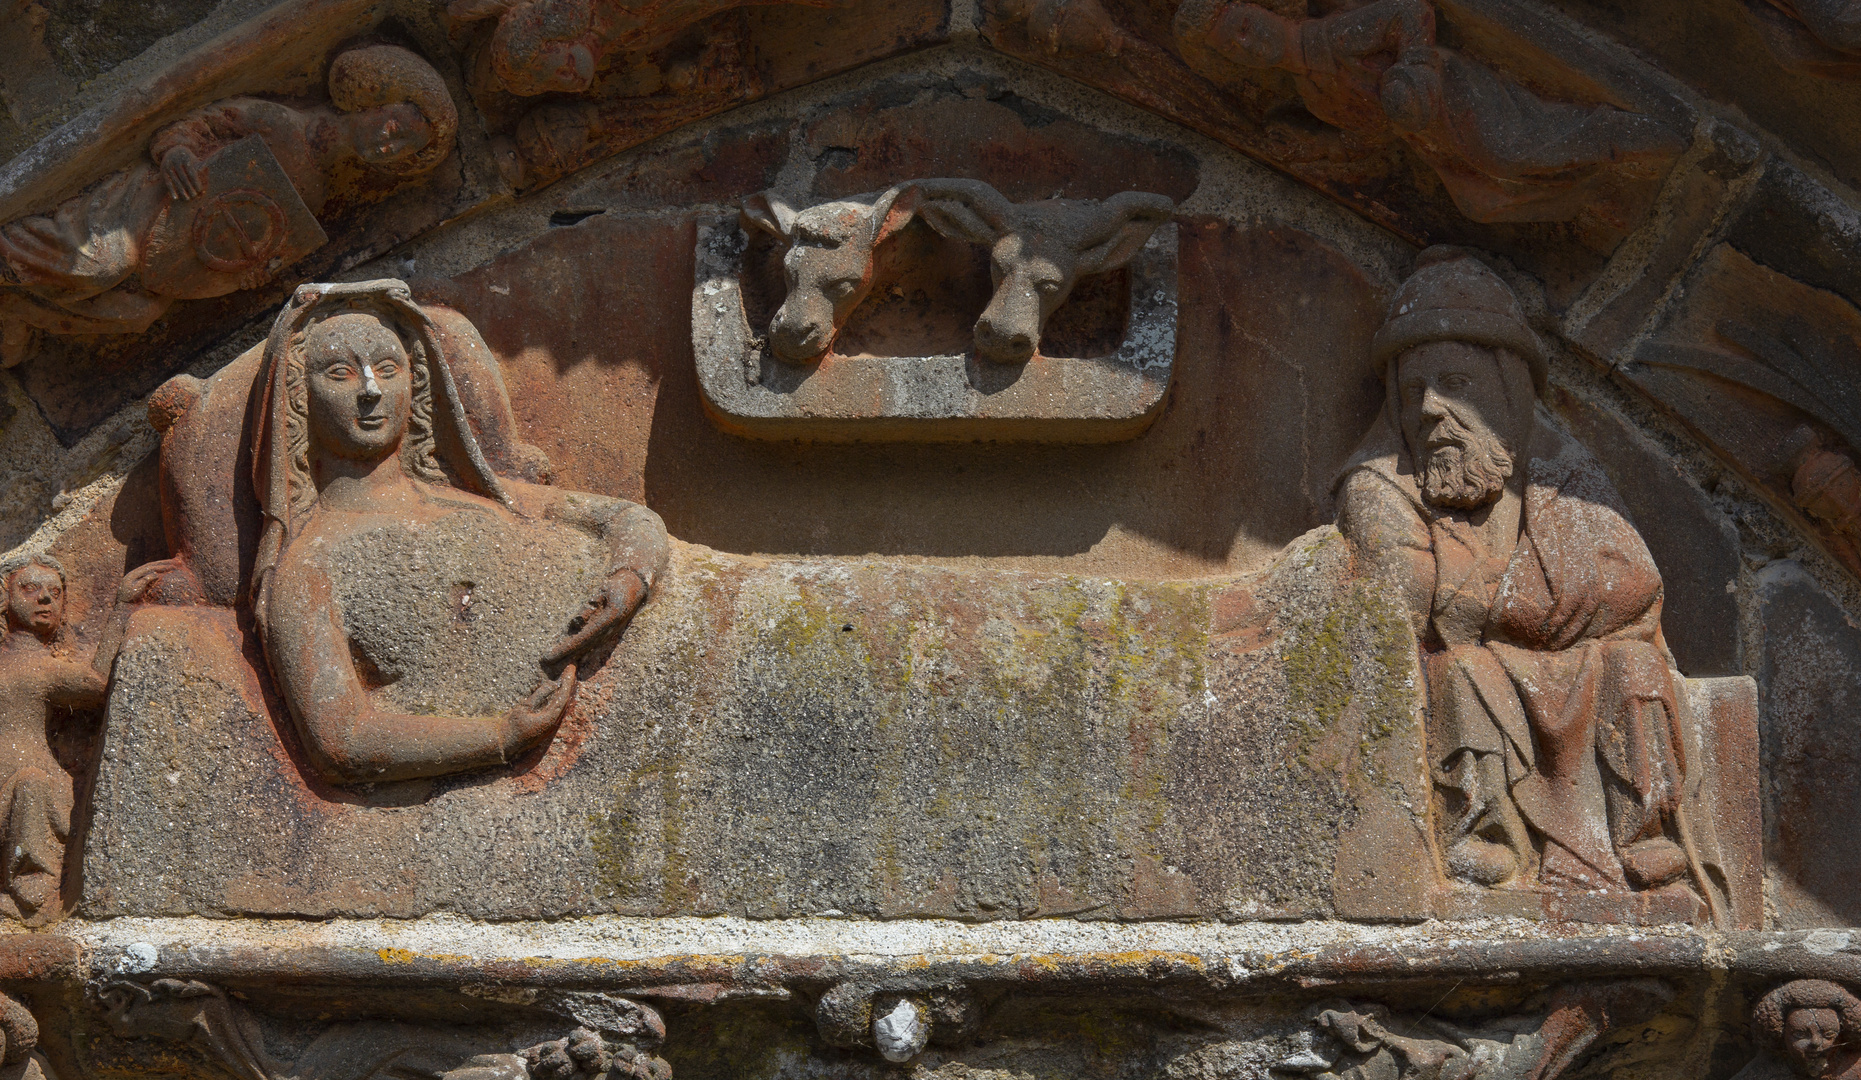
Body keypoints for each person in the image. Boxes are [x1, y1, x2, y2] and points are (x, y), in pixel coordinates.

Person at [1333, 247, 1725, 914]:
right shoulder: (1378, 485)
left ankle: (1642, 832)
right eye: (1410, 393)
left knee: (1633, 665)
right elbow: (1401, 601)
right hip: (1479, 674)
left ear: (1504, 392)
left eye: (1454, 383)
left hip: (1584, 668)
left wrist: (1492, 602)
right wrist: (1521, 602)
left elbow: (1631, 584)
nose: (1430, 410)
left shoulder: (1562, 472)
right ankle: (1484, 829)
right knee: (1456, 672)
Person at [244, 279, 668, 787]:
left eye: (387, 368)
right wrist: (501, 736)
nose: (370, 390)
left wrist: (627, 582)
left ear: (416, 381)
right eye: (339, 373)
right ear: (299, 398)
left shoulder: (488, 500)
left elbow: (629, 519)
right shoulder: (310, 565)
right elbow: (342, 738)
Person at [0, 45, 458, 363]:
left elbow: (255, 251)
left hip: (179, 251)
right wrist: (177, 151)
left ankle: (21, 311)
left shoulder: (314, 198)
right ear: (371, 100)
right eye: (395, 127)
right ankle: (11, 254)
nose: (387, 145)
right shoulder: (280, 124)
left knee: (138, 312)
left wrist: (252, 271)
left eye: (402, 150)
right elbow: (197, 126)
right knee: (103, 258)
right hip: (149, 202)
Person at [0, 552, 168, 921]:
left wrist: (122, 607)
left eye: (56, 593)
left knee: (31, 786)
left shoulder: (42, 668)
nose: (45, 599)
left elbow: (98, 685)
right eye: (30, 589)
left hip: (29, 787)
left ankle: (29, 893)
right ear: (4, 598)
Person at [1751, 980, 1861, 1080]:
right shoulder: (1764, 1072)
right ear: (1781, 1035)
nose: (1815, 1042)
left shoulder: (1852, 1071)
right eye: (1800, 1034)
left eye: (1828, 1034)